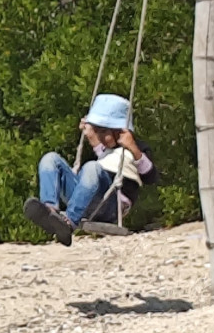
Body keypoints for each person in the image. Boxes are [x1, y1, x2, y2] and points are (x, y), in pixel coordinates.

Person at [24, 94, 160, 246]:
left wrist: (133, 147)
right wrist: (90, 131)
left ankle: (69, 223)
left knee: (91, 167)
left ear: (119, 131)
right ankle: (50, 211)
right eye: (97, 131)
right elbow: (101, 151)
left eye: (103, 132)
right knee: (50, 159)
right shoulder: (106, 152)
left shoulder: (136, 149)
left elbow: (151, 177)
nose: (99, 137)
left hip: (110, 205)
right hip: (87, 198)